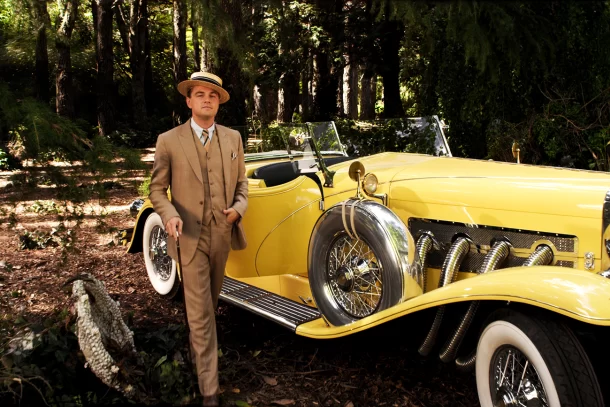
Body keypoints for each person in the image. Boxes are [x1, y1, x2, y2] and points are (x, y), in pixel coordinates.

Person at [149, 71, 248, 406]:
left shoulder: (233, 139)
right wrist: (169, 214)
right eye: (200, 94)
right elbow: (156, 190)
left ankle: (197, 356)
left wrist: (238, 209)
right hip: (188, 237)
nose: (207, 99)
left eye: (213, 95)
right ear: (189, 101)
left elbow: (242, 185)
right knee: (202, 314)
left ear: (218, 103)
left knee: (209, 304)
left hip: (222, 233)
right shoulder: (168, 140)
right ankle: (209, 392)